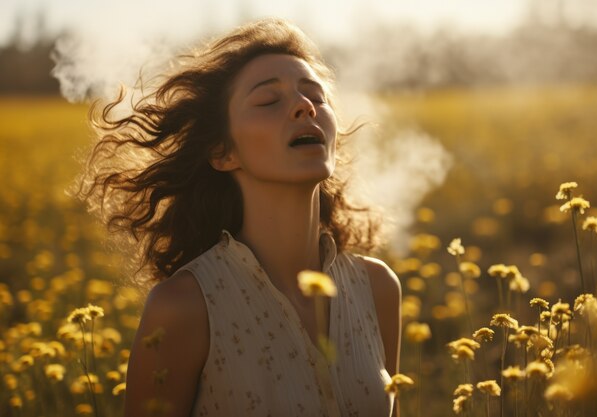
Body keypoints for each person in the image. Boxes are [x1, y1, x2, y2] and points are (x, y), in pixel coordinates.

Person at [76, 18, 401, 417]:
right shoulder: (184, 307)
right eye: (268, 101)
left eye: (316, 96)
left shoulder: (377, 288)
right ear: (223, 152)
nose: (305, 106)